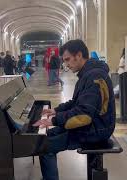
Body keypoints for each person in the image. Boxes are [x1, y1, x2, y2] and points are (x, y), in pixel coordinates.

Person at [33, 40, 116, 180]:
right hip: (93, 124)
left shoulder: (93, 76)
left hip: (96, 130)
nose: (66, 64)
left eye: (67, 59)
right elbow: (77, 103)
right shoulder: (88, 73)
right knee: (46, 135)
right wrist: (56, 111)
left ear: (78, 55)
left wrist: (54, 120)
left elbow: (83, 115)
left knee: (44, 146)